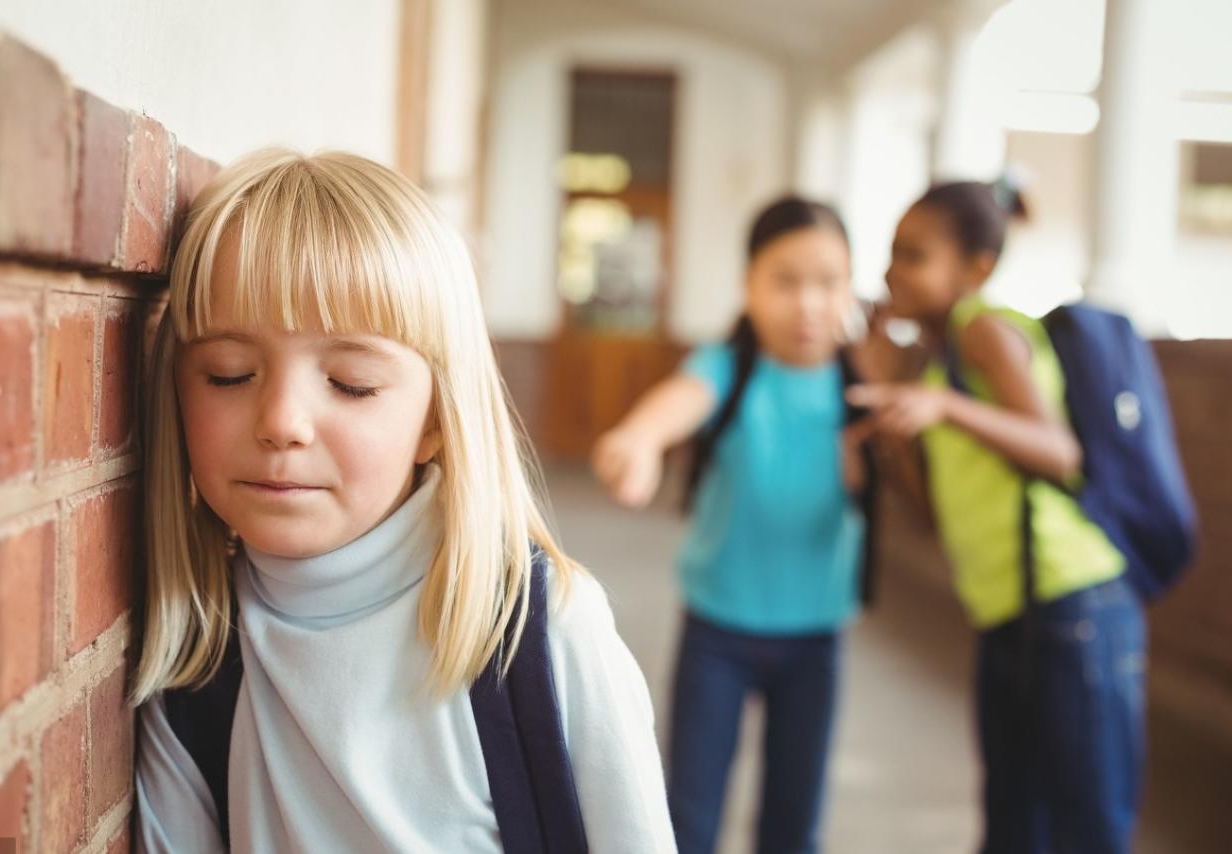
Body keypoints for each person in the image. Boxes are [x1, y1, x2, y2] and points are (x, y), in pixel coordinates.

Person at [131, 148, 676, 852]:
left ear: (435, 422)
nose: (281, 422)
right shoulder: (189, 670)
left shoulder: (541, 637)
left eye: (351, 382)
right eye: (229, 374)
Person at [850, 180, 1146, 854]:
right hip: (1007, 613)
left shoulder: (983, 329)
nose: (891, 270)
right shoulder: (932, 359)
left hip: (1074, 605)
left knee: (1088, 825)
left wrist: (948, 410)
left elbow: (1060, 454)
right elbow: (929, 520)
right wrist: (892, 430)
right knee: (1012, 824)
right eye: (891, 252)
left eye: (913, 255)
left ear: (974, 269)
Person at [592, 197, 870, 854]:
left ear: (850, 287)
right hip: (719, 629)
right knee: (689, 814)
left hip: (815, 636)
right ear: (749, 284)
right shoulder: (729, 367)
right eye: (785, 280)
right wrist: (637, 439)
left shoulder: (861, 386)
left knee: (793, 823)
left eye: (828, 282)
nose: (807, 303)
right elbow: (675, 405)